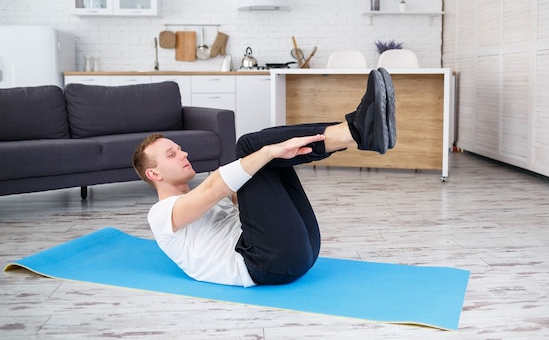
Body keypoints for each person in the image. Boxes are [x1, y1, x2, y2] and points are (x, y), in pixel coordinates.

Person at [132, 68, 396, 287]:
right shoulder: (161, 214)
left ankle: (357, 133)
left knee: (261, 158)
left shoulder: (206, 198)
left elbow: (246, 193)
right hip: (264, 263)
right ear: (153, 174)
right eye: (171, 154)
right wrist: (266, 151)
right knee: (250, 148)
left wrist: (270, 154)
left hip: (302, 248)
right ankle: (356, 131)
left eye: (179, 149)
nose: (183, 153)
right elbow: (214, 188)